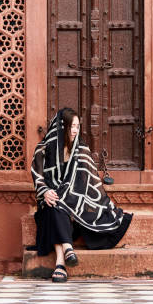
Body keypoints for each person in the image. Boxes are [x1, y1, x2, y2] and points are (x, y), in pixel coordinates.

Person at [31, 107, 133, 282]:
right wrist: (45, 191)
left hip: (74, 208)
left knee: (58, 205)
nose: (74, 130)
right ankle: (66, 251)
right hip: (49, 202)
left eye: (77, 126)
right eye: (71, 126)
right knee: (53, 206)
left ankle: (60, 263)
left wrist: (65, 196)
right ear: (61, 128)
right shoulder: (43, 149)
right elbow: (37, 175)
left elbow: (88, 185)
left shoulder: (81, 151)